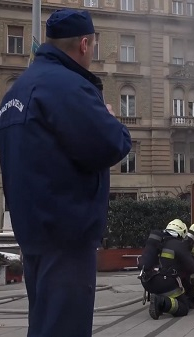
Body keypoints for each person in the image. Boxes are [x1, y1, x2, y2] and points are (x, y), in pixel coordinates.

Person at [0, 8, 132, 337]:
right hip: (66, 233)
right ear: (84, 44)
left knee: (44, 324)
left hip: (32, 232)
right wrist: (109, 117)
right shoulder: (68, 87)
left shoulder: (17, 91)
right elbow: (110, 144)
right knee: (65, 327)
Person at [141, 219, 194, 319]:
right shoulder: (179, 245)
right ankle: (161, 301)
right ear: (182, 232)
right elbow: (192, 267)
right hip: (164, 283)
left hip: (147, 281)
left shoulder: (156, 240)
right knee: (184, 307)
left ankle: (158, 302)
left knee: (163, 287)